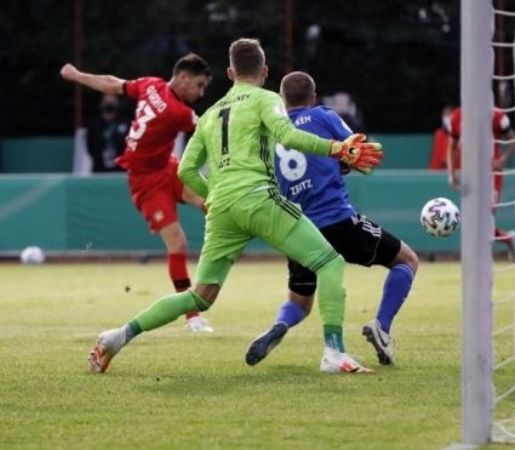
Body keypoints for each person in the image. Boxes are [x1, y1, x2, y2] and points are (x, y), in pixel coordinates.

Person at [85, 38, 384, 375]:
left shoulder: (210, 114)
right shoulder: (267, 98)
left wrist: (211, 195)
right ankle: (333, 352)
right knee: (329, 262)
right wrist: (337, 149)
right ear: (265, 71)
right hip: (258, 198)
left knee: (200, 296)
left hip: (223, 209)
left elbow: (185, 169)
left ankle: (118, 336)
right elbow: (289, 137)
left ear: (230, 72)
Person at [245, 71, 419, 367]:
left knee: (299, 301)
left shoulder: (273, 133)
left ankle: (280, 326)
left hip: (298, 229)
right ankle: (382, 327)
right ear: (313, 97)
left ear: (282, 101)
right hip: (337, 220)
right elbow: (352, 147)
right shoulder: (323, 115)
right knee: (406, 260)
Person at [60, 55, 214, 332]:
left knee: (210, 204)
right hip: (146, 182)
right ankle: (192, 316)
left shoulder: (151, 84)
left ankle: (226, 251)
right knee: (178, 243)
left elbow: (111, 83)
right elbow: (210, 132)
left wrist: (77, 75)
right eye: (200, 85)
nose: (201, 93)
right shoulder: (178, 112)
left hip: (167, 167)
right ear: (183, 78)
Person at [446, 105, 515, 256]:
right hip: (471, 174)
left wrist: (503, 158)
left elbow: (513, 140)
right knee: (474, 218)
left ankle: (482, 256)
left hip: (492, 173)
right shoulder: (457, 117)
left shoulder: (496, 115)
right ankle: (508, 238)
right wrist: (452, 173)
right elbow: (452, 146)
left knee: (486, 214)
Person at [86, 94, 128, 172]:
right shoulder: (94, 126)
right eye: (107, 103)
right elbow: (90, 148)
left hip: (120, 172)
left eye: (112, 104)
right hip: (99, 171)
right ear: (101, 104)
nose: (109, 107)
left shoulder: (125, 124)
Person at [429, 104, 454, 170]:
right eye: (444, 115)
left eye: (449, 115)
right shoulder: (439, 134)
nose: (447, 118)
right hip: (439, 173)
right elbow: (436, 157)